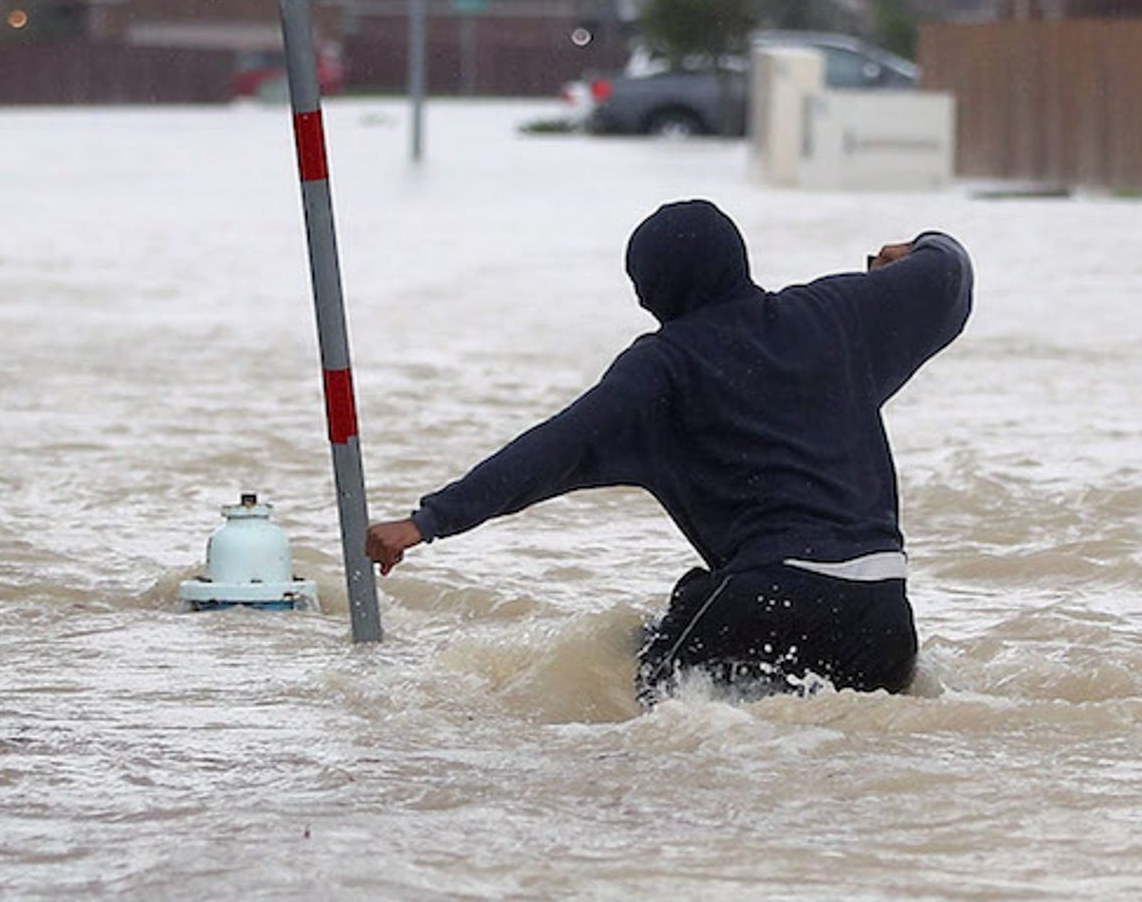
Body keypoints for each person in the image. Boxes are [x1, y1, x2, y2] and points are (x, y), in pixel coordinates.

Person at [364, 198, 973, 700]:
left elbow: (552, 449)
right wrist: (920, 244)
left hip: (768, 598)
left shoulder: (662, 372)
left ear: (654, 290)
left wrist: (427, 522)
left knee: (650, 705)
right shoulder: (836, 315)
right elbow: (950, 273)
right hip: (885, 619)